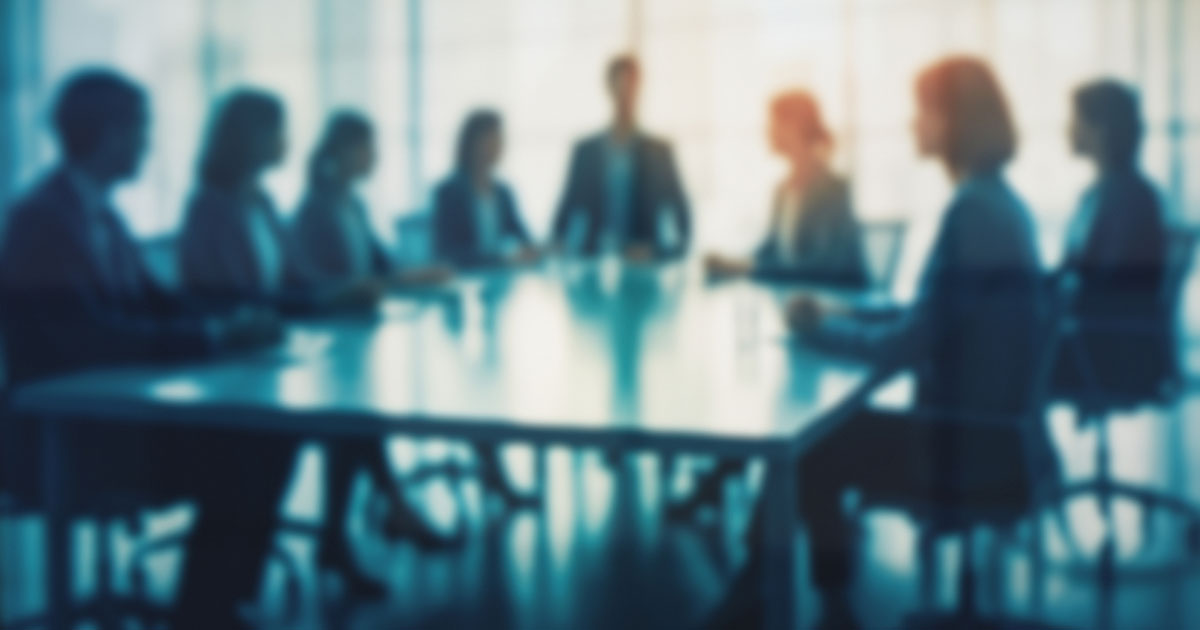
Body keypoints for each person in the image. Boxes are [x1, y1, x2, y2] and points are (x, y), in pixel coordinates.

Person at [708, 58, 1050, 630]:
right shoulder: (997, 202)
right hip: (1003, 437)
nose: (913, 123)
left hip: (970, 448)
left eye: (923, 111)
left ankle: (760, 597)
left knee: (809, 445)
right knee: (829, 437)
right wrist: (841, 313)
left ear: (952, 120)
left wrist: (818, 329)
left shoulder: (971, 212)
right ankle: (815, 600)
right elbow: (936, 317)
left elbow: (903, 346)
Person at [0, 69, 292, 630]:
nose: (148, 145)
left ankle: (218, 604)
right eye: (141, 131)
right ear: (110, 134)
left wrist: (230, 322)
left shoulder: (99, 211)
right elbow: (88, 340)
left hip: (107, 419)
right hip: (62, 441)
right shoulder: (41, 219)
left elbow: (161, 303)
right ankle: (203, 614)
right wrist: (213, 337)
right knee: (246, 450)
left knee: (269, 432)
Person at [180, 93, 459, 599]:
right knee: (333, 418)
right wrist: (328, 294)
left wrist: (332, 293)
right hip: (231, 374)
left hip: (268, 359)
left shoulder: (260, 201)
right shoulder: (210, 207)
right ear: (251, 138)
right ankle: (237, 590)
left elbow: (297, 280)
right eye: (277, 130)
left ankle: (285, 567)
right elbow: (226, 298)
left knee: (351, 411)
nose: (287, 141)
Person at [1055, 79, 1171, 402]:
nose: (1068, 130)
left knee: (993, 357)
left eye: (1075, 120)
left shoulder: (1129, 197)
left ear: (1101, 129)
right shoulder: (1098, 194)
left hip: (1109, 349)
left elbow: (1110, 284)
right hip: (1096, 339)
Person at [705, 90, 868, 287]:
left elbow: (822, 266)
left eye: (772, 123)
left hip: (833, 303)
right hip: (793, 297)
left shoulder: (834, 190)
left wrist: (747, 269)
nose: (766, 131)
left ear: (794, 126)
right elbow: (772, 248)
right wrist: (734, 263)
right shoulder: (782, 190)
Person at [551, 55, 691, 261]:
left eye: (630, 87)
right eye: (619, 87)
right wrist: (558, 250)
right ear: (608, 89)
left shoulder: (660, 152)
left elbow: (682, 214)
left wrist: (669, 253)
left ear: (639, 88)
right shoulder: (584, 151)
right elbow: (565, 211)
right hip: (594, 259)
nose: (625, 95)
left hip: (643, 260)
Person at [294, 110, 450, 287]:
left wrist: (419, 274)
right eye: (366, 146)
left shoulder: (355, 205)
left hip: (360, 309)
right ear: (343, 149)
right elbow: (317, 279)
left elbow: (381, 265)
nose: (374, 155)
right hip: (334, 312)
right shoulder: (316, 208)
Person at [433, 109, 538, 269]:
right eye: (491, 139)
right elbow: (446, 251)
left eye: (500, 139)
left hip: (499, 279)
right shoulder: (448, 192)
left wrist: (538, 249)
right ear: (472, 143)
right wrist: (501, 259)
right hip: (465, 279)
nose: (498, 146)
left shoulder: (504, 192)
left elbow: (523, 237)